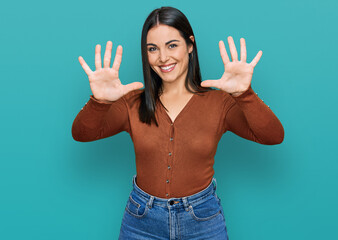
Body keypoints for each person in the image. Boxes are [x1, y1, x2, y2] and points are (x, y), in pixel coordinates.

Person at [72, 6, 284, 240]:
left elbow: (273, 136)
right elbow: (82, 133)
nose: (163, 58)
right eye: (153, 49)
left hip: (202, 220)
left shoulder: (219, 102)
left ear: (190, 45)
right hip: (141, 221)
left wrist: (245, 94)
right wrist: (99, 101)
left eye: (172, 45)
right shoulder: (131, 103)